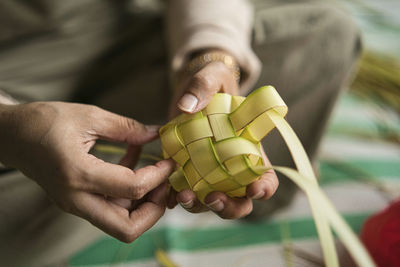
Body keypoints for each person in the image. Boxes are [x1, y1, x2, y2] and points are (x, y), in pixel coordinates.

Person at [0, 0, 361, 266]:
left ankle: (116, 175)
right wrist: (10, 129)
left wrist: (210, 55)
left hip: (121, 35)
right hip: (11, 70)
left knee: (326, 31)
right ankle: (74, 177)